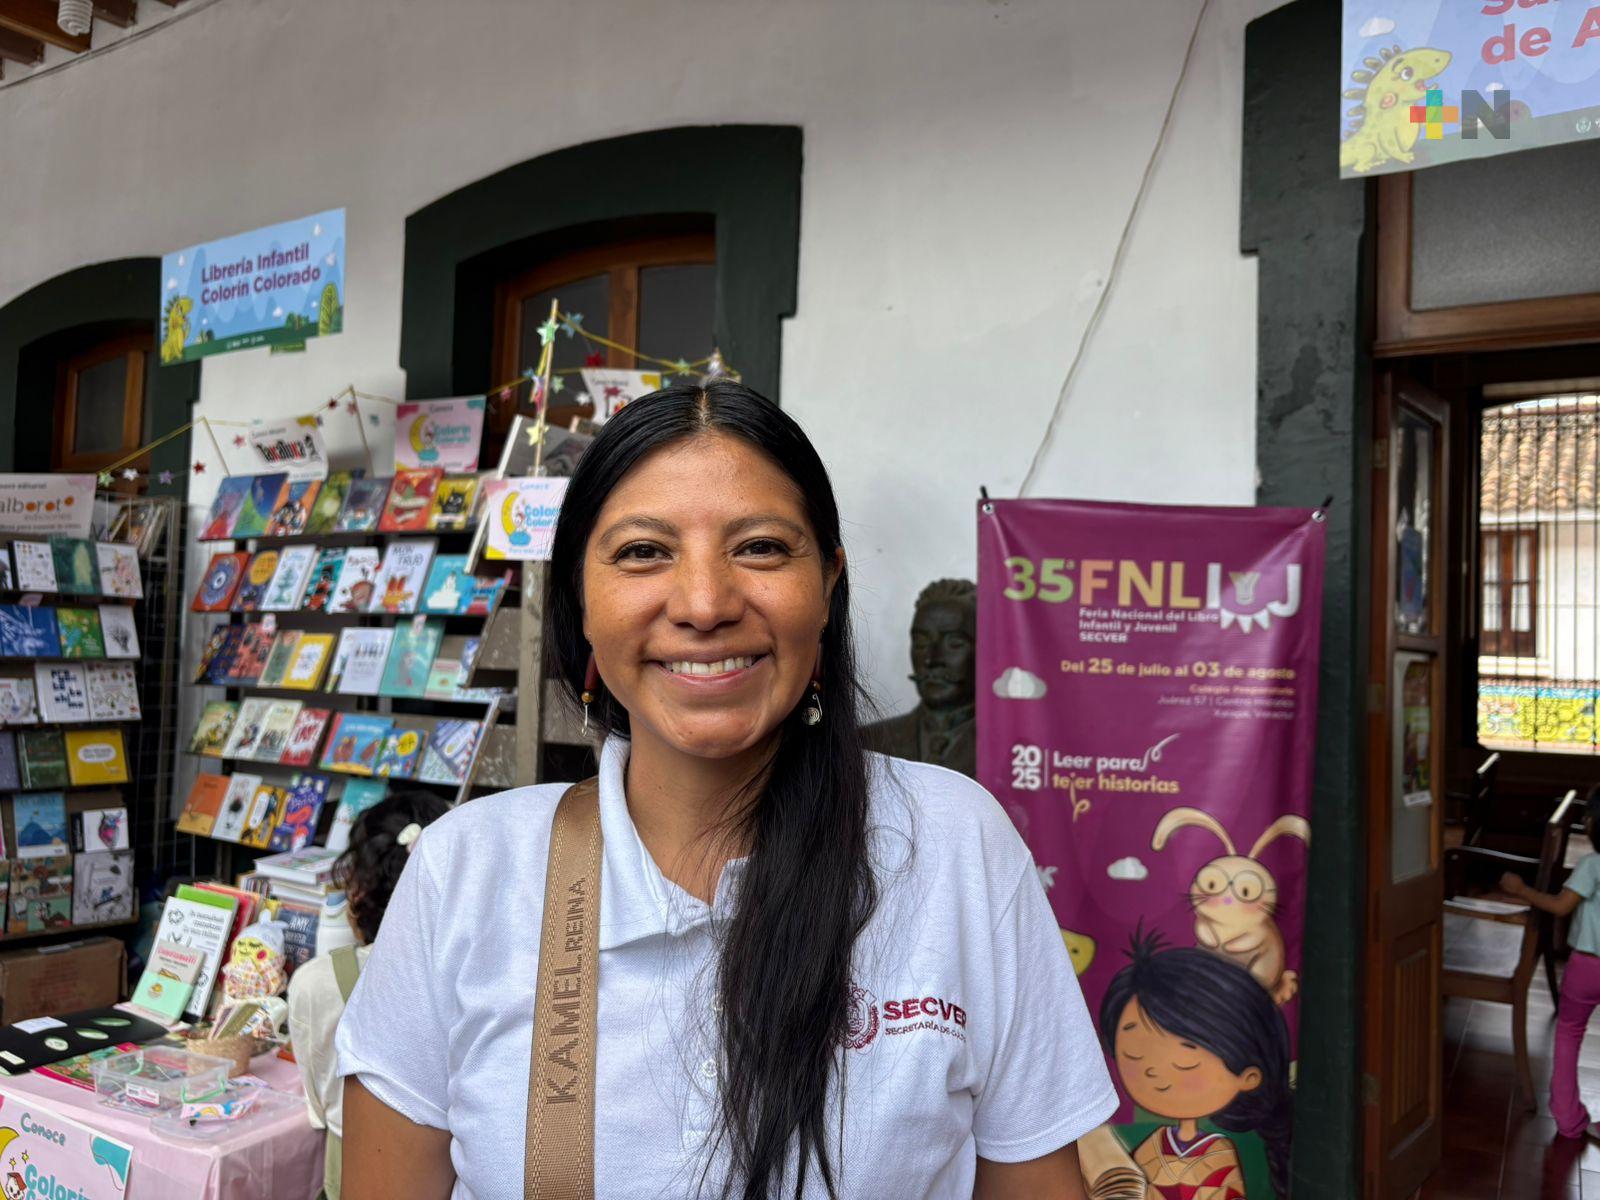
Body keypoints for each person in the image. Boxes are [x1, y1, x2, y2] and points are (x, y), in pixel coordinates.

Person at [337, 381, 1115, 1199]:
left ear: (828, 585)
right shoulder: (465, 871)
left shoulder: (957, 846)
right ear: (580, 599)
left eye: (762, 548)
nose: (705, 605)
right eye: (644, 551)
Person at [288, 790, 450, 1200]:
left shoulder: (316, 983)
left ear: (359, 888)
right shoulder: (468, 980)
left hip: (350, 1171)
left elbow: (319, 1105)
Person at [1097, 932, 1293, 1199]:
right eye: (1133, 1054)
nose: (1153, 1070)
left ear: (1249, 1076)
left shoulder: (1219, 1153)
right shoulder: (1152, 1145)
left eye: (1185, 1060)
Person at [1501, 788, 1600, 1139]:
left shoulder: (1592, 865)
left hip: (1587, 966)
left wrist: (1521, 890)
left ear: (1592, 823)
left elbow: (1560, 906)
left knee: (1569, 1032)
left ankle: (1569, 1120)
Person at [863, 578, 978, 778]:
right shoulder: (866, 742)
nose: (932, 659)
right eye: (921, 643)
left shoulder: (1013, 749)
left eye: (954, 643)